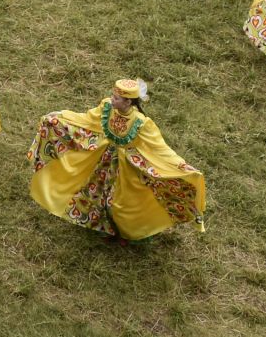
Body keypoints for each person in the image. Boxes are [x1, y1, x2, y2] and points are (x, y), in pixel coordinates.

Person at [27, 77, 205, 241]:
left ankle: (125, 231)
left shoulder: (141, 123)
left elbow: (159, 148)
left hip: (125, 166)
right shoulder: (106, 107)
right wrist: (61, 116)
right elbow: (87, 120)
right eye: (113, 95)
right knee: (92, 188)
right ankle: (94, 220)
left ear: (128, 102)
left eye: (117, 98)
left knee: (121, 202)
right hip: (101, 157)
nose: (113, 100)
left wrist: (180, 166)